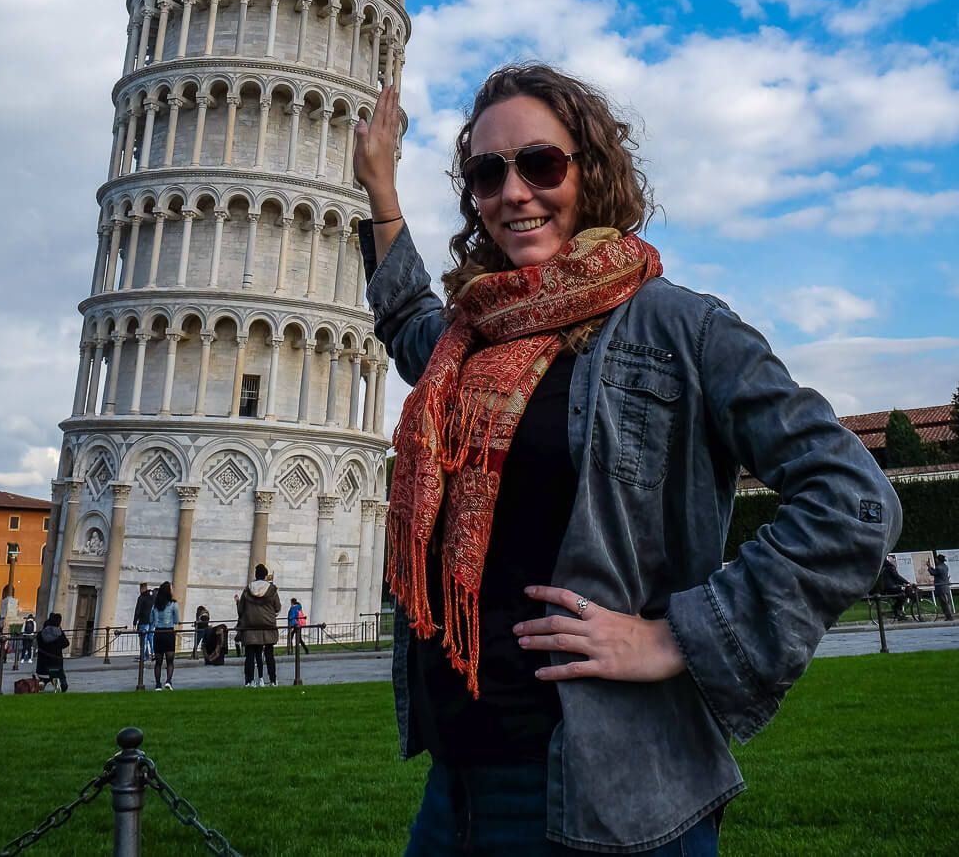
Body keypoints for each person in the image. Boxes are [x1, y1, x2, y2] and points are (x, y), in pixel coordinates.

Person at [353, 69, 901, 857]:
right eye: (487, 172)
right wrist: (381, 187)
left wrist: (680, 636)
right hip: (456, 795)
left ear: (592, 170)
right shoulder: (471, 339)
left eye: (541, 164)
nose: (515, 192)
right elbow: (409, 319)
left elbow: (853, 498)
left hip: (613, 799)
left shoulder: (682, 329)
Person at [236, 564, 281, 686]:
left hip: (250, 627)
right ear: (265, 576)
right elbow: (277, 607)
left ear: (256, 575)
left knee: (249, 656)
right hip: (268, 626)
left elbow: (240, 610)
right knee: (269, 655)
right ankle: (272, 680)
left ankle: (249, 681)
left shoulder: (247, 589)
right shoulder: (272, 590)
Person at [150, 581, 179, 690]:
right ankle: (168, 681)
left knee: (158, 661)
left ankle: (158, 684)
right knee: (170, 660)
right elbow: (176, 620)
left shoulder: (155, 605)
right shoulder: (173, 604)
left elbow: (151, 619)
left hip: (158, 633)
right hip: (169, 633)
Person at [36, 613, 70, 692]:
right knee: (61, 686)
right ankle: (57, 689)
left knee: (42, 682)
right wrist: (60, 631)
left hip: (42, 667)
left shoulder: (40, 635)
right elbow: (66, 644)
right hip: (55, 666)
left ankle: (40, 687)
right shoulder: (59, 635)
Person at [879, 555, 912, 620]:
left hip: (888, 587)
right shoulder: (891, 567)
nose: (894, 561)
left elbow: (894, 578)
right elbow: (897, 576)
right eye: (893, 560)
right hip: (891, 587)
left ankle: (898, 612)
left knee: (901, 595)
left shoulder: (885, 567)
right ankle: (897, 610)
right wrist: (907, 582)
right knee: (903, 596)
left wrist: (903, 583)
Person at [133, 582, 155, 661]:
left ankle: (144, 656)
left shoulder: (141, 597)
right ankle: (153, 654)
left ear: (142, 588)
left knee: (143, 639)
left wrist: (135, 622)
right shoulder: (152, 597)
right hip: (152, 621)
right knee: (151, 637)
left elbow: (137, 610)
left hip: (143, 620)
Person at [929, 554, 954, 620]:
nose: (936, 560)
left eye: (937, 559)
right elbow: (935, 572)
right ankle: (949, 616)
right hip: (946, 586)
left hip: (941, 587)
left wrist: (929, 567)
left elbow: (933, 573)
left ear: (938, 560)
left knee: (944, 603)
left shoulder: (938, 568)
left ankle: (949, 616)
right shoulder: (945, 566)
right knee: (947, 602)